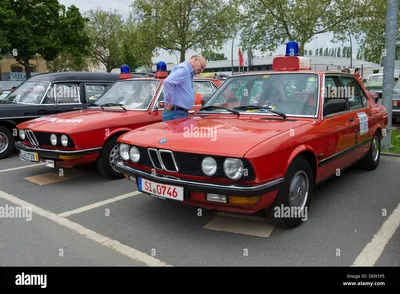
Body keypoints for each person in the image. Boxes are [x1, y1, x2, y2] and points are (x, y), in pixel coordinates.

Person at [162, 55, 206, 121]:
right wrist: (169, 102)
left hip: (179, 112)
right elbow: (167, 82)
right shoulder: (184, 69)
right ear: (195, 60)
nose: (201, 70)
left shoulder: (188, 71)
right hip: (176, 113)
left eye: (203, 69)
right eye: (201, 66)